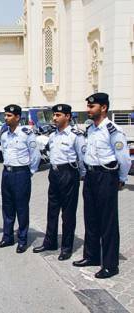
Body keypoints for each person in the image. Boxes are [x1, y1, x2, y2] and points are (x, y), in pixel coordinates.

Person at [73, 92, 130, 279]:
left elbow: (124, 158)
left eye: (92, 107)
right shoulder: (91, 129)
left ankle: (110, 264)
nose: (88, 110)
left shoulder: (113, 130)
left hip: (106, 177)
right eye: (88, 106)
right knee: (91, 218)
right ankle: (92, 256)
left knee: (108, 222)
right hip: (90, 176)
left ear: (103, 108)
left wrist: (121, 178)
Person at [33, 104, 85, 261]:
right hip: (54, 174)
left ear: (67, 116)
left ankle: (67, 247)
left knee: (68, 214)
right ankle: (50, 242)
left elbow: (83, 159)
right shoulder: (53, 135)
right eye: (54, 115)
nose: (54, 118)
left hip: (69, 174)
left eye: (58, 115)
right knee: (52, 210)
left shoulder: (76, 135)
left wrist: (80, 175)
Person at [0, 104, 40, 253]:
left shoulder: (26, 133)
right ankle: (7, 237)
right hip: (6, 173)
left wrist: (29, 172)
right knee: (7, 207)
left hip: (21, 174)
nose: (5, 118)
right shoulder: (4, 134)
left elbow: (35, 155)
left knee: (21, 208)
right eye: (5, 115)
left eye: (9, 116)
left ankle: (22, 240)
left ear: (18, 117)